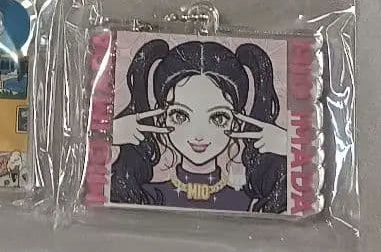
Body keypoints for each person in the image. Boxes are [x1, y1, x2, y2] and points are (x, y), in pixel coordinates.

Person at [109, 39, 287, 212]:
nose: (199, 135)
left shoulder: (249, 203)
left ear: (237, 122)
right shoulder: (144, 196)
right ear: (162, 118)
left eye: (218, 118)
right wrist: (108, 134)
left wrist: (291, 146)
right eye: (180, 116)